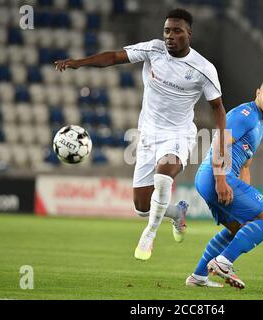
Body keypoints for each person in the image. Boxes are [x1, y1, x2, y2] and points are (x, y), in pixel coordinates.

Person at [54, 8, 227, 261]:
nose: (170, 35)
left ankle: (149, 235)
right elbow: (114, 57)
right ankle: (176, 213)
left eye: (177, 31)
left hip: (178, 134)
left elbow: (218, 108)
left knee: (163, 175)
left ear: (189, 33)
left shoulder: (203, 69)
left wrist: (221, 142)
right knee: (141, 207)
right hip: (147, 134)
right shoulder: (154, 50)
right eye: (167, 30)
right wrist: (78, 63)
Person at [185, 76, 263, 288]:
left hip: (213, 178)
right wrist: (221, 179)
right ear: (257, 93)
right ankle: (223, 263)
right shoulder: (246, 115)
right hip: (216, 175)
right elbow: (218, 141)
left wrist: (244, 190)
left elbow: (245, 166)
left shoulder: (260, 126)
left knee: (239, 229)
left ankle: (198, 277)